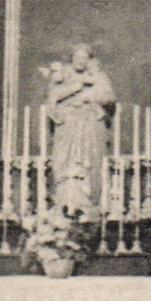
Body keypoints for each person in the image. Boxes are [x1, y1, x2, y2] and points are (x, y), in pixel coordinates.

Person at [46, 44, 116, 215]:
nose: (80, 61)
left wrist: (89, 95)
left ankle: (90, 201)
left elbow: (109, 97)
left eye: (84, 58)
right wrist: (74, 88)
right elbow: (52, 98)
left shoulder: (97, 76)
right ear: (72, 59)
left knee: (90, 161)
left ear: (89, 60)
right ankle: (63, 199)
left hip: (90, 126)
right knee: (64, 159)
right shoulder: (62, 76)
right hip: (67, 126)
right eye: (77, 57)